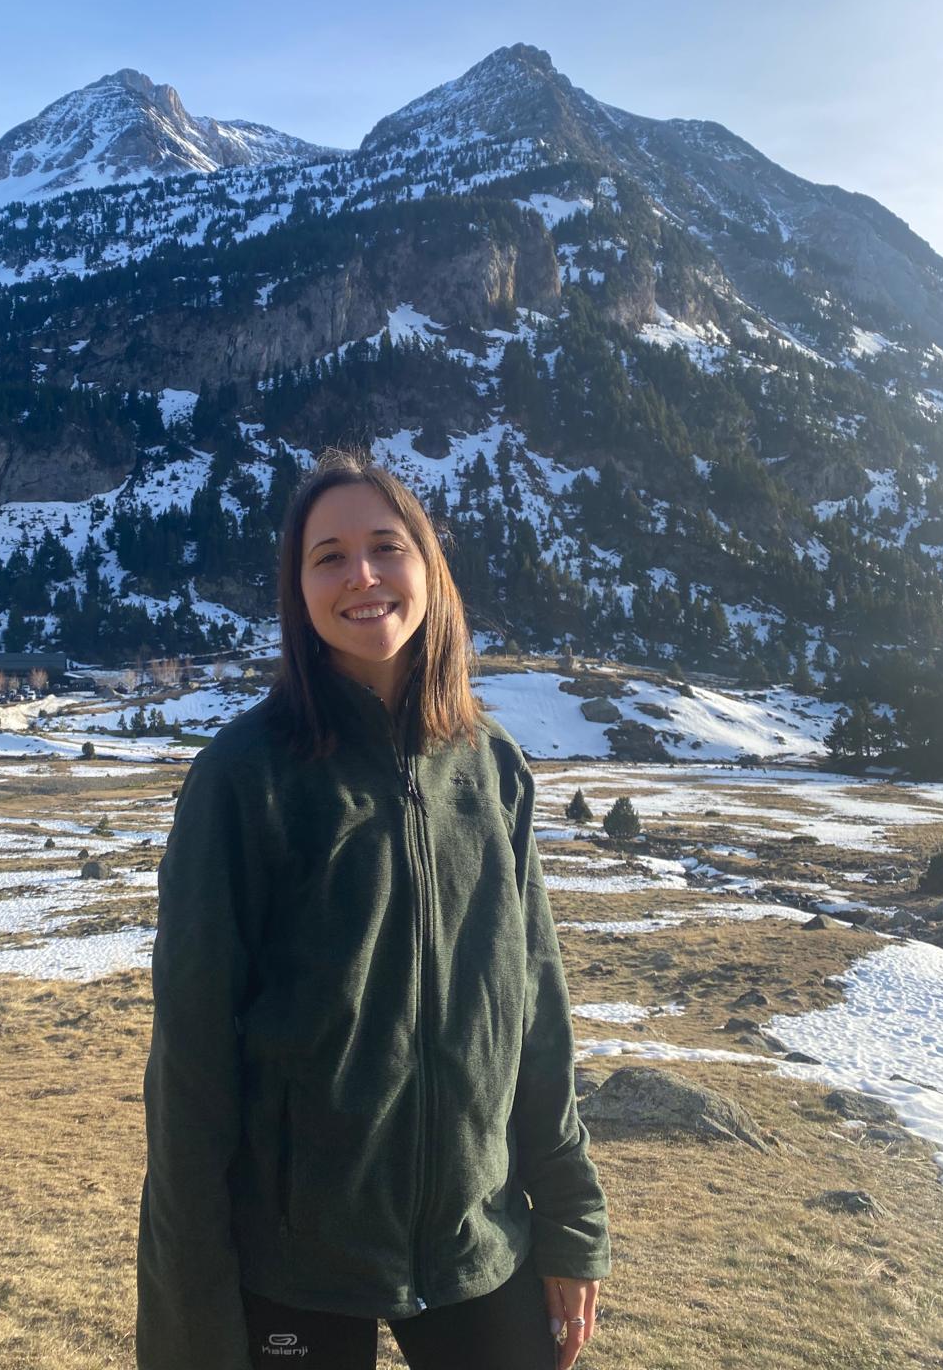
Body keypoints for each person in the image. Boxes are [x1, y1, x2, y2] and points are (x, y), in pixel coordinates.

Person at [136, 450, 610, 1370]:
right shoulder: (244, 778)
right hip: (294, 1257)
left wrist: (571, 1221)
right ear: (298, 590)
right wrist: (192, 1306)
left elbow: (535, 1010)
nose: (361, 575)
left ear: (428, 569)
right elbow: (190, 1063)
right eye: (328, 556)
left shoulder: (493, 766)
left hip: (479, 1242)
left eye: (385, 547)